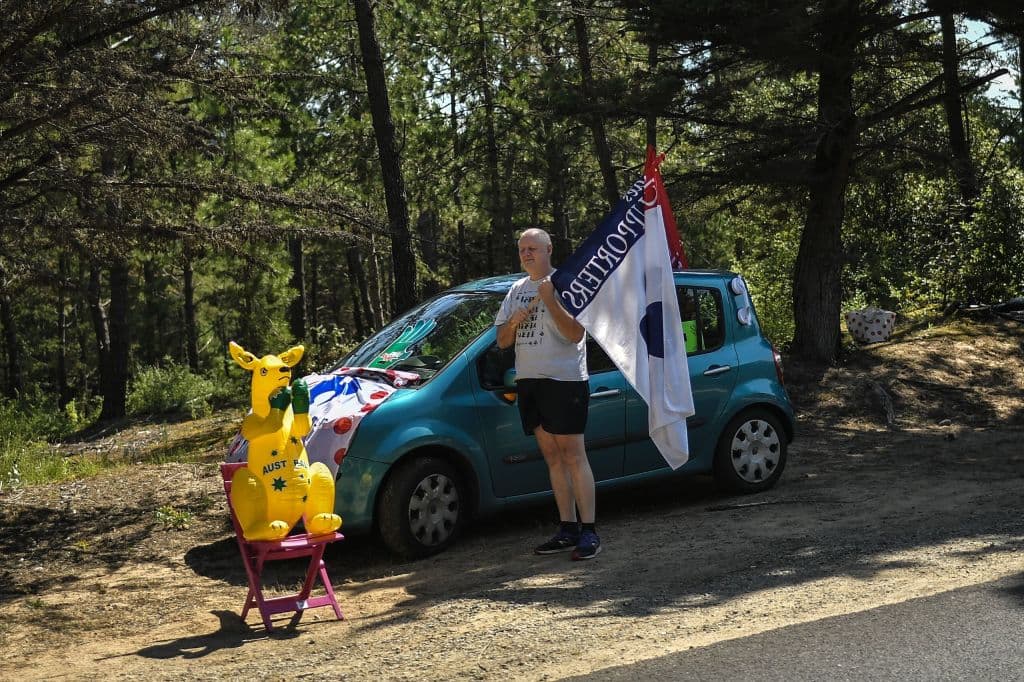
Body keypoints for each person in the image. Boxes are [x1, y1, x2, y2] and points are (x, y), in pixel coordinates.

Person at [494, 228, 601, 560]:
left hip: (564, 381)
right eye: (522, 249)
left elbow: (574, 334)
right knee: (553, 458)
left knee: (573, 456)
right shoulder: (515, 290)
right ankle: (566, 527)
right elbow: (501, 341)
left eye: (533, 248)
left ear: (549, 250)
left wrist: (551, 298)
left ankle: (589, 531)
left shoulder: (567, 283)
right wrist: (512, 322)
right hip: (530, 383)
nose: (527, 254)